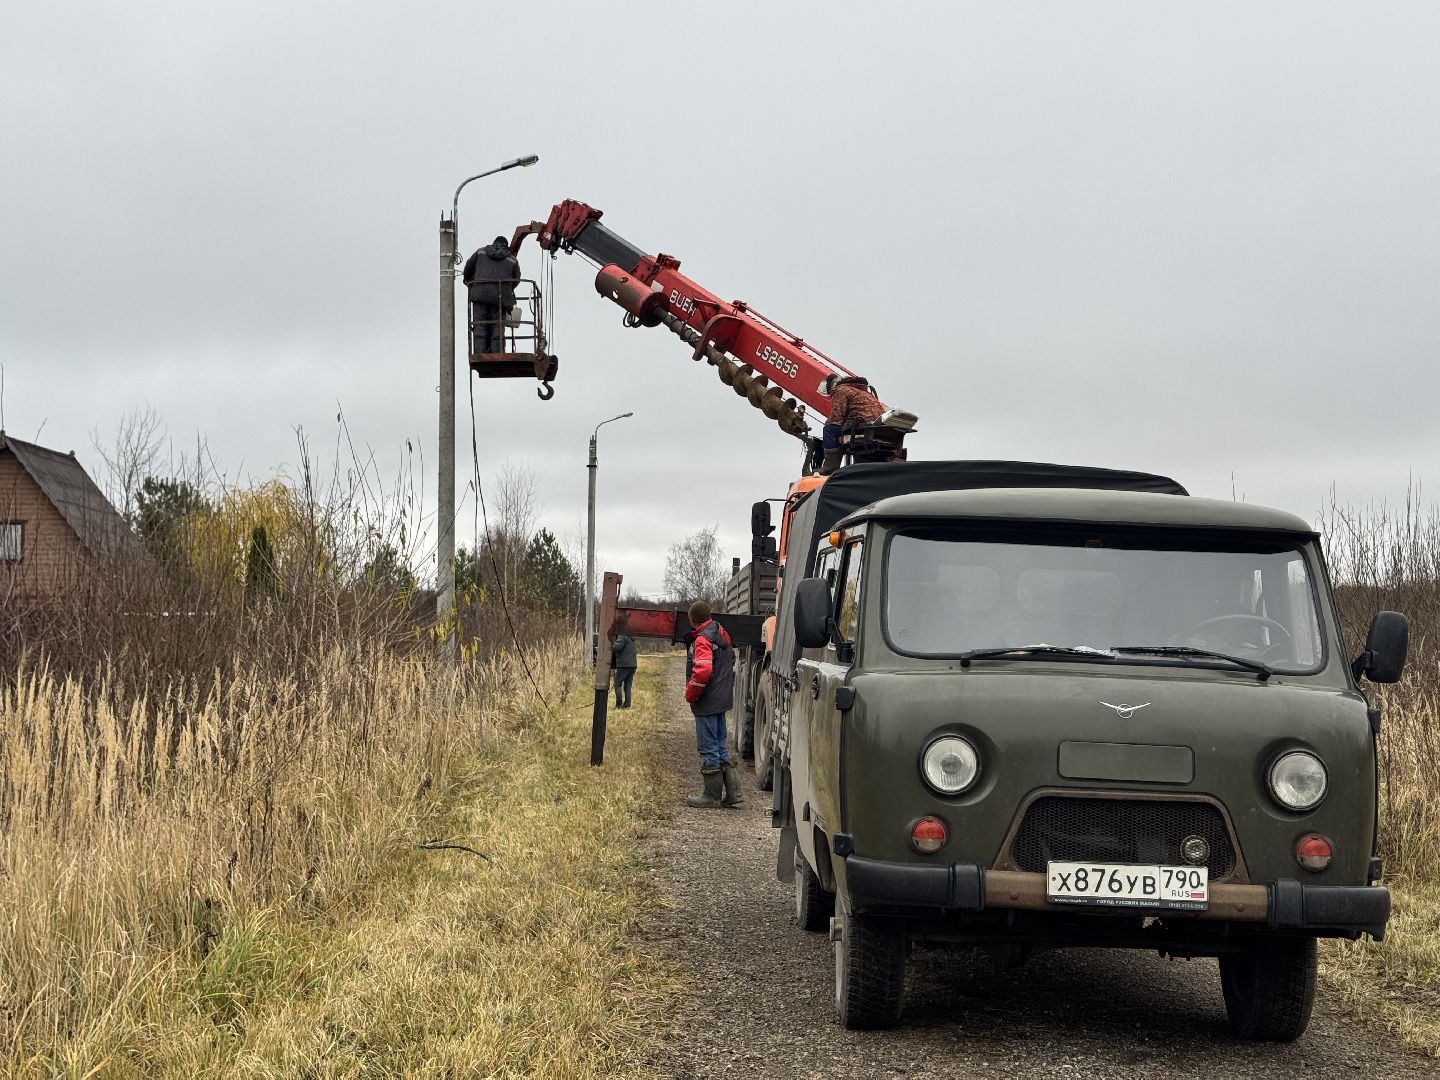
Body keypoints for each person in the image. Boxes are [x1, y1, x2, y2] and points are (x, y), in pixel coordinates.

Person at [682, 600, 743, 809]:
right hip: (720, 699)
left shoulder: (702, 640)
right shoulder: (720, 631)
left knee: (708, 747)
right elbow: (729, 660)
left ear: (692, 619)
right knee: (720, 745)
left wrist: (691, 693)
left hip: (707, 701)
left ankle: (711, 796)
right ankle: (733, 794)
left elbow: (703, 671)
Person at [463, 235, 521, 354]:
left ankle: (480, 354)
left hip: (479, 295)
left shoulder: (481, 252)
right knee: (497, 326)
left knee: (479, 325)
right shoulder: (512, 259)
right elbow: (516, 280)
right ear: (506, 245)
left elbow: (468, 268)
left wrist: (470, 282)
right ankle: (497, 354)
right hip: (499, 299)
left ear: (494, 242)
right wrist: (505, 289)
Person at [819, 374, 885, 475]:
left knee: (829, 429)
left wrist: (829, 421)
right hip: (877, 425)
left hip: (863, 424)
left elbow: (838, 417)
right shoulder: (861, 390)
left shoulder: (840, 390)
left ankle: (829, 468)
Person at [611, 627, 637, 709]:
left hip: (624, 665)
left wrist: (611, 645)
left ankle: (618, 705)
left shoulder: (622, 636)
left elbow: (617, 647)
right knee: (627, 686)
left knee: (617, 684)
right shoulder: (631, 638)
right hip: (632, 665)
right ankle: (627, 705)